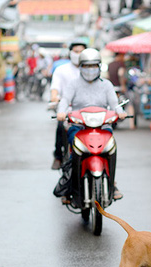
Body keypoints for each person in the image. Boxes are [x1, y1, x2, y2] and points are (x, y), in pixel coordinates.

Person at [56, 48, 127, 204]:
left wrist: (120, 112)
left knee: (111, 148)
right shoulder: (73, 84)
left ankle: (112, 183)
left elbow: (115, 104)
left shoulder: (106, 85)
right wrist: (61, 112)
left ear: (99, 66)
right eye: (86, 66)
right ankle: (70, 186)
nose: (90, 69)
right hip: (79, 126)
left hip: (102, 126)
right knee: (73, 148)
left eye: (93, 66)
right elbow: (64, 100)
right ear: (80, 66)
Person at [49, 40, 87, 170]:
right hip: (67, 110)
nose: (78, 54)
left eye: (81, 51)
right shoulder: (61, 70)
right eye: (76, 51)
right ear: (70, 53)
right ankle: (58, 156)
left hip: (89, 111)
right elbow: (55, 89)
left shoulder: (90, 71)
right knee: (61, 126)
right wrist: (55, 98)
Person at [107, 52, 136, 129]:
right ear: (119, 56)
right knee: (130, 103)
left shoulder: (110, 64)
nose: (124, 57)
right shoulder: (121, 64)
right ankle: (132, 124)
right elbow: (121, 74)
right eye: (123, 56)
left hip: (112, 88)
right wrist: (123, 85)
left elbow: (107, 76)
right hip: (119, 88)